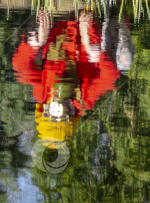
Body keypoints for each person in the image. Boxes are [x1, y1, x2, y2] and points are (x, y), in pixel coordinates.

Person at [12, 8, 121, 143]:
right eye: (66, 113)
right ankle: (115, 12)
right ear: (73, 113)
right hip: (87, 23)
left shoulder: (43, 94)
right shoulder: (86, 97)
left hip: (55, 25)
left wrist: (38, 41)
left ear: (45, 111)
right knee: (124, 60)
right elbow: (111, 75)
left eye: (50, 115)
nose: (59, 106)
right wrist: (89, 46)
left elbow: (20, 65)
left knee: (34, 40)